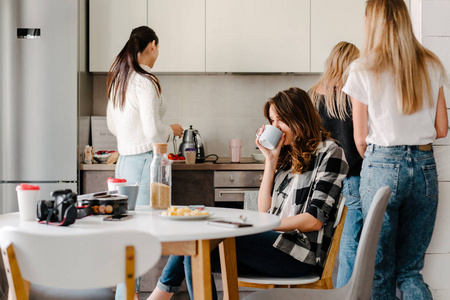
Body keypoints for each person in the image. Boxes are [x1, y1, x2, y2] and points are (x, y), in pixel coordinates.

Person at [148, 87, 349, 300]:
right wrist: (270, 162)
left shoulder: (330, 153)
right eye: (272, 121)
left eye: (280, 120)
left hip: (299, 254)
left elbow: (313, 221)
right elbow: (264, 210)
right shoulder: (288, 154)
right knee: (195, 250)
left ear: (299, 117)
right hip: (275, 245)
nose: (275, 127)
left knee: (200, 244)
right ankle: (160, 296)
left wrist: (264, 226)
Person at [343, 0, 448, 299]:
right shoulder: (431, 63)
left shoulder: (362, 68)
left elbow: (360, 138)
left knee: (379, 268)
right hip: (425, 165)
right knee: (410, 270)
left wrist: (383, 164)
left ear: (372, 22)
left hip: (382, 166)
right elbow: (442, 129)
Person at [106, 25, 183, 300]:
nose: (158, 53)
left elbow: (112, 125)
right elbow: (152, 132)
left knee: (127, 241)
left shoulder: (119, 79)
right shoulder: (145, 81)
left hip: (124, 164)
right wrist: (170, 129)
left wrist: (130, 139)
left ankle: (127, 297)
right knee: (137, 242)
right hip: (142, 163)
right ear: (151, 45)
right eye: (158, 48)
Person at [309, 41, 362, 288]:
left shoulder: (311, 94)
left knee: (323, 241)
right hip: (353, 175)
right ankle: (345, 292)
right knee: (349, 243)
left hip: (322, 180)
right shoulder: (355, 94)